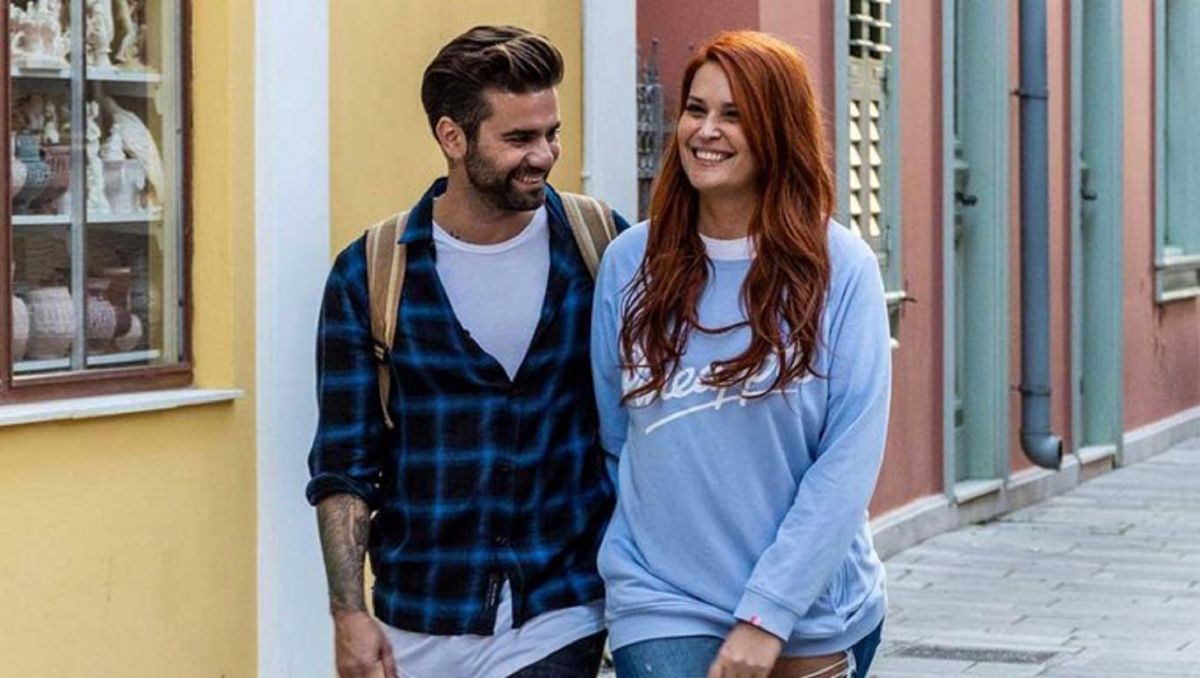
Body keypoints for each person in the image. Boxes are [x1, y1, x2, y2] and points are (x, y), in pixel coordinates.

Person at [307, 25, 628, 678]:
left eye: (552, 133)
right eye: (519, 138)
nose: (544, 155)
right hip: (420, 614)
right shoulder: (370, 273)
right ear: (452, 137)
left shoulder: (600, 248)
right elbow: (345, 465)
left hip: (562, 605)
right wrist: (348, 613)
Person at [591, 31, 890, 678]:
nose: (706, 131)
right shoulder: (628, 264)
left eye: (734, 115)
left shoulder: (842, 269)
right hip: (662, 596)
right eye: (696, 110)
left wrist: (767, 613)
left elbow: (847, 463)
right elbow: (617, 440)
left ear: (778, 130)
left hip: (812, 601)